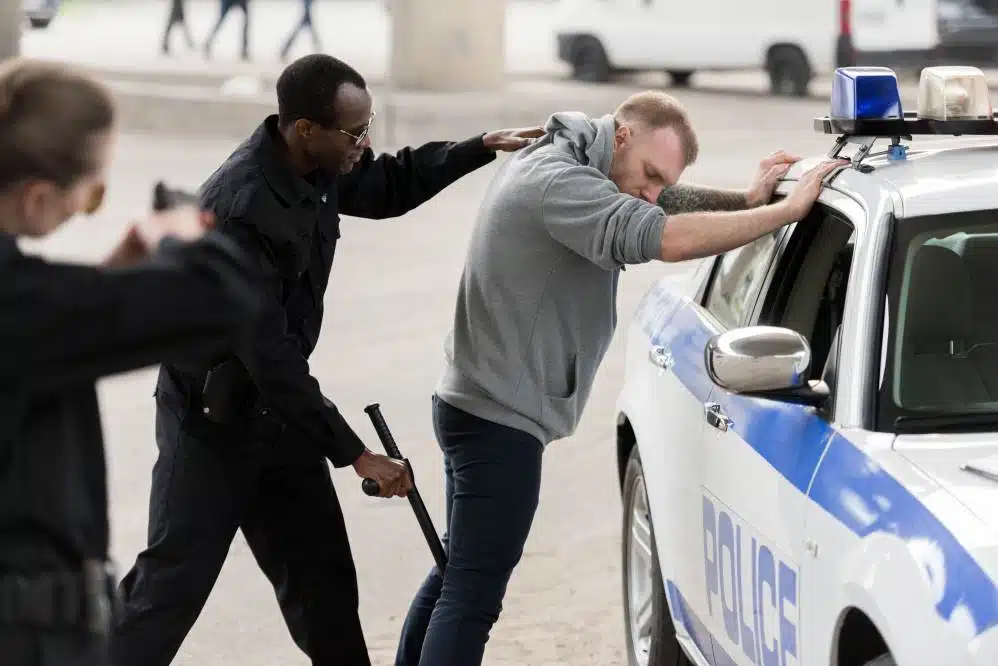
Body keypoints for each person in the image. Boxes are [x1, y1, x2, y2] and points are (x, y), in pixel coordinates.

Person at [111, 53, 542, 666]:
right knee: (166, 594)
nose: (365, 145)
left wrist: (479, 146)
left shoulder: (320, 166)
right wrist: (356, 453)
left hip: (280, 421)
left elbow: (392, 184)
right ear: (304, 129)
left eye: (369, 128)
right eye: (355, 132)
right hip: (212, 424)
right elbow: (271, 357)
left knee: (326, 593)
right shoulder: (240, 209)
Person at [393, 90, 848, 666]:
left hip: (475, 403)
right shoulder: (561, 183)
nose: (652, 191)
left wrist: (746, 197)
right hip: (495, 421)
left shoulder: (577, 157)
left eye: (662, 182)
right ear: (625, 135)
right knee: (473, 595)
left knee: (458, 571)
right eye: (650, 174)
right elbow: (663, 236)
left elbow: (660, 202)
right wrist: (782, 213)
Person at [0, 58, 264, 666]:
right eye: (91, 194)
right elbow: (222, 295)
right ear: (38, 196)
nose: (91, 204)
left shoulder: (32, 315)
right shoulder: (21, 308)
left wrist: (105, 286)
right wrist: (177, 231)